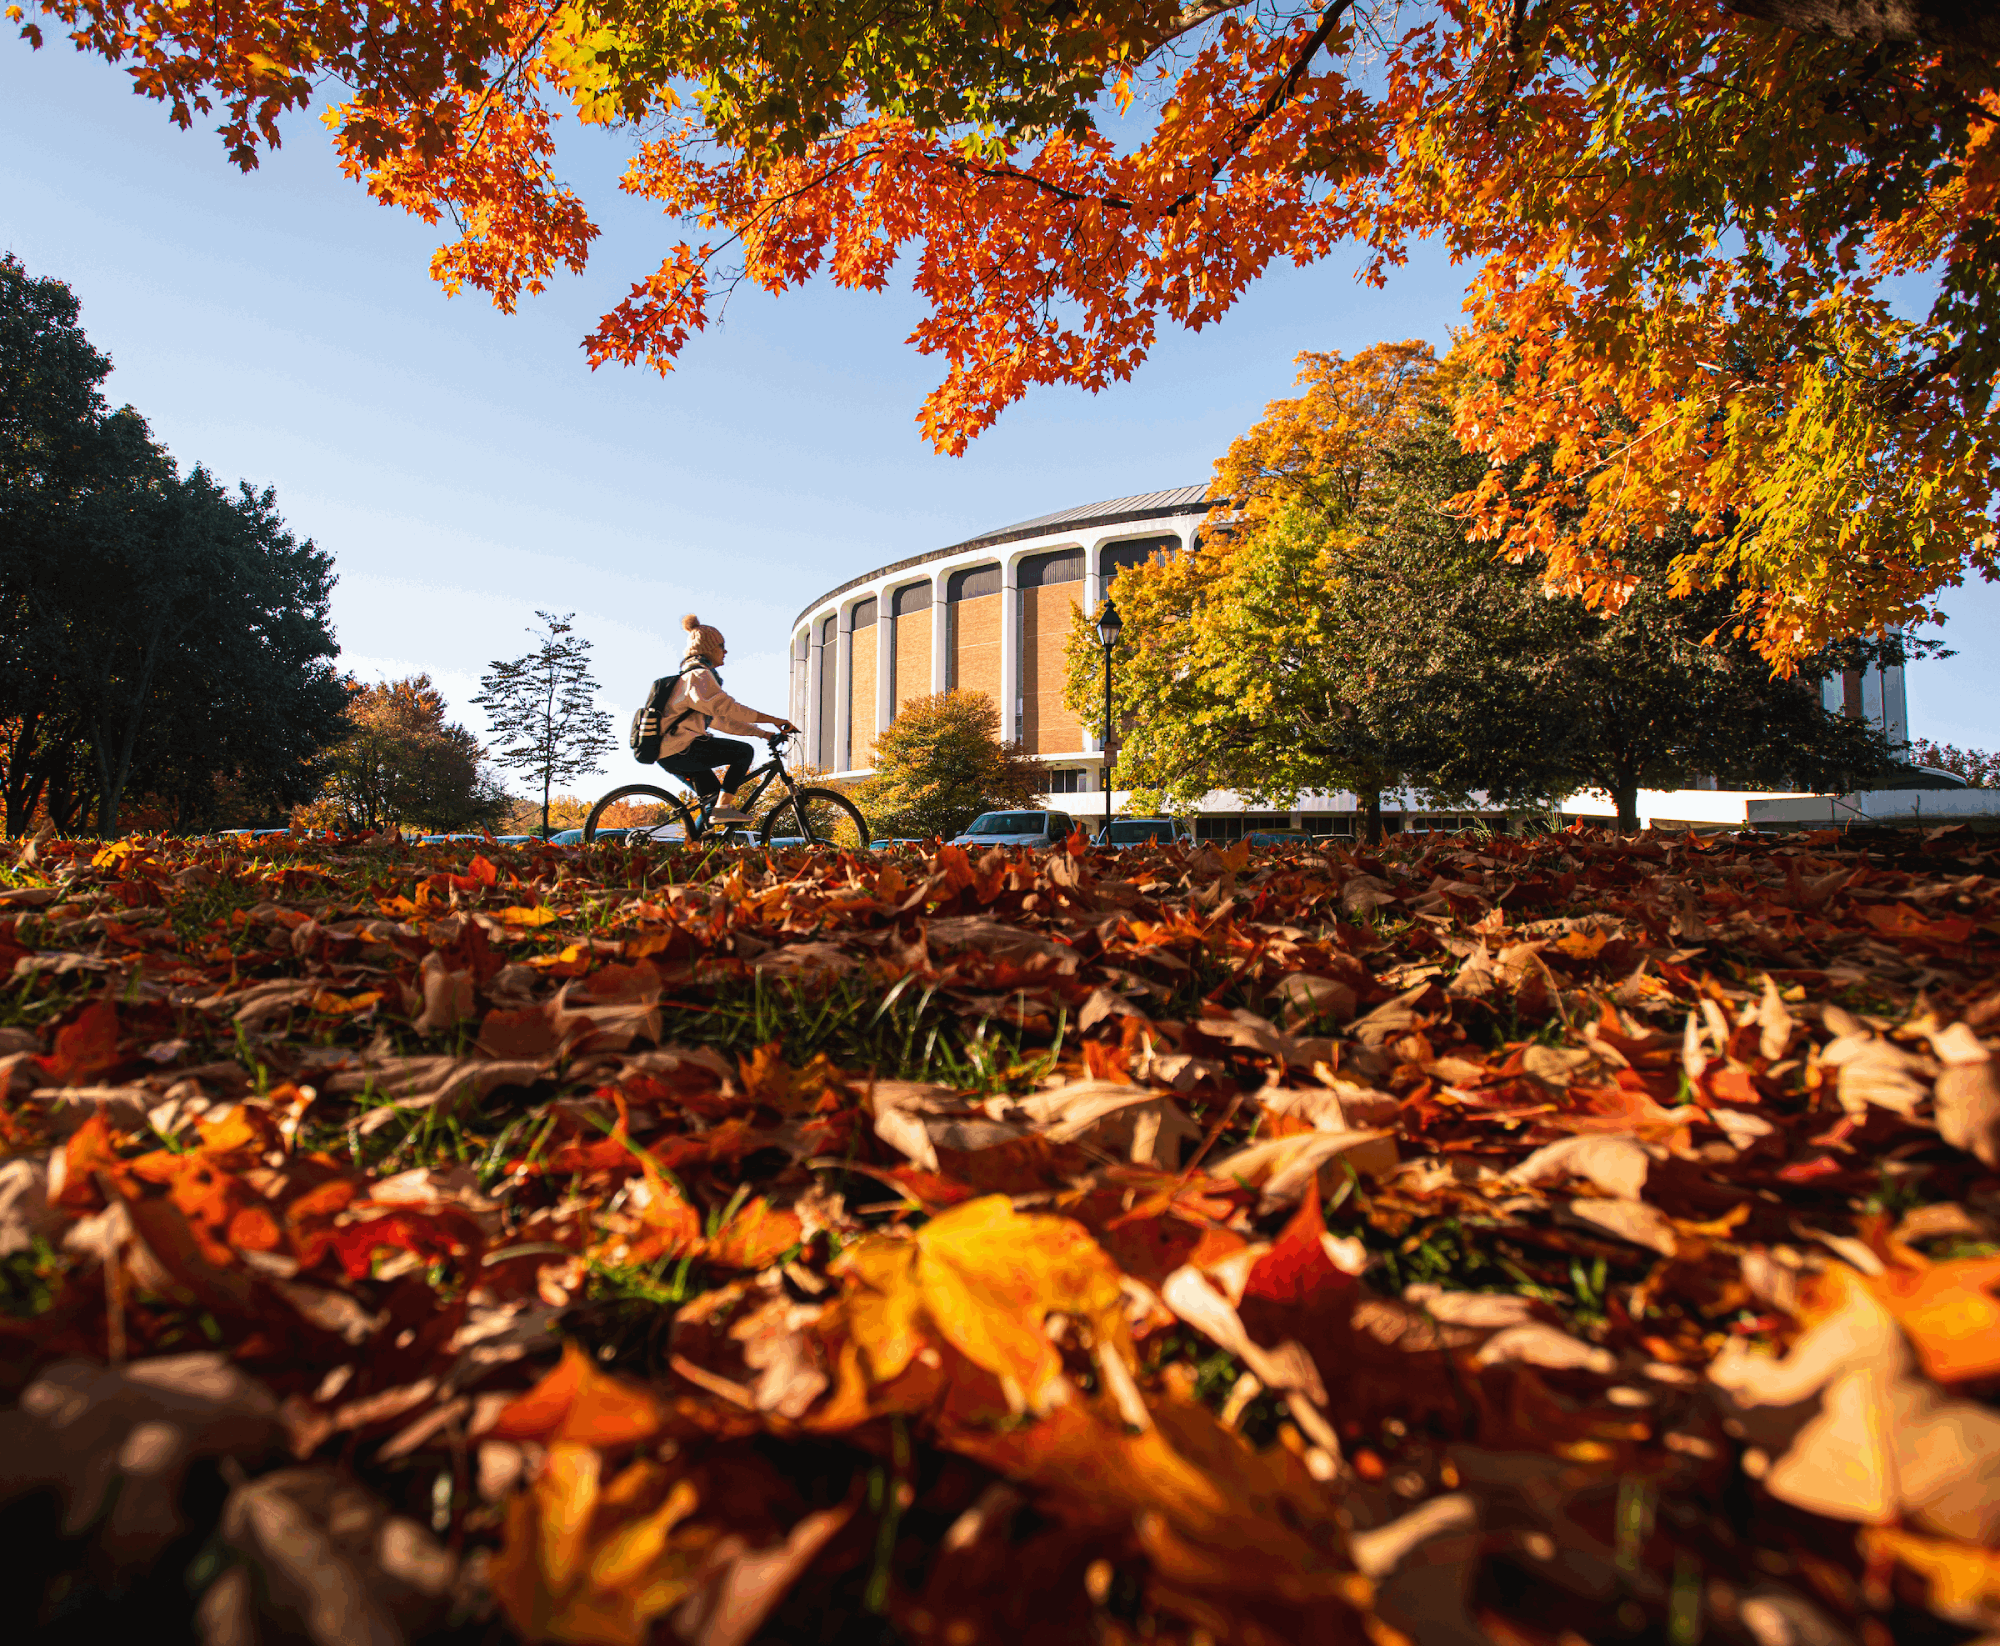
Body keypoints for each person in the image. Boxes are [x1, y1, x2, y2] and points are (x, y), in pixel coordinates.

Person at [652, 616, 798, 823]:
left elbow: (722, 721)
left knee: (712, 798)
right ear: (708, 648)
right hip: (680, 749)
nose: (725, 651)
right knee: (743, 752)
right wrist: (772, 719)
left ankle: (697, 844)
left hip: (671, 752)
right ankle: (723, 809)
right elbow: (729, 709)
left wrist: (763, 733)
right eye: (721, 646)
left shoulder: (692, 678)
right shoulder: (698, 676)